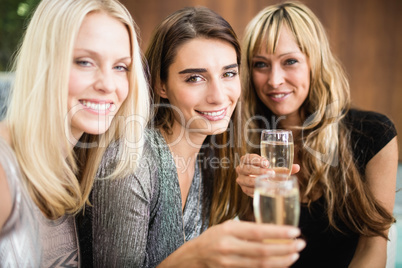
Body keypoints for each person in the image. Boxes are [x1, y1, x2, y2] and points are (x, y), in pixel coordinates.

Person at [85, 6, 305, 268]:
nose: (219, 95)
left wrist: (250, 197)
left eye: (228, 73)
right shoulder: (131, 164)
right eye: (195, 78)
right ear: (161, 84)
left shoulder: (212, 157)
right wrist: (196, 257)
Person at [236, 1, 398, 267]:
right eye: (261, 64)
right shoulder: (246, 140)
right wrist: (248, 199)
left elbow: (373, 249)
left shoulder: (373, 135)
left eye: (290, 61)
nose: (274, 80)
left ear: (315, 62)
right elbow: (260, 253)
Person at [0, 0, 149, 266]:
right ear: (43, 63)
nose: (107, 84)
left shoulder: (76, 168)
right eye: (84, 62)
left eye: (120, 67)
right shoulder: (4, 170)